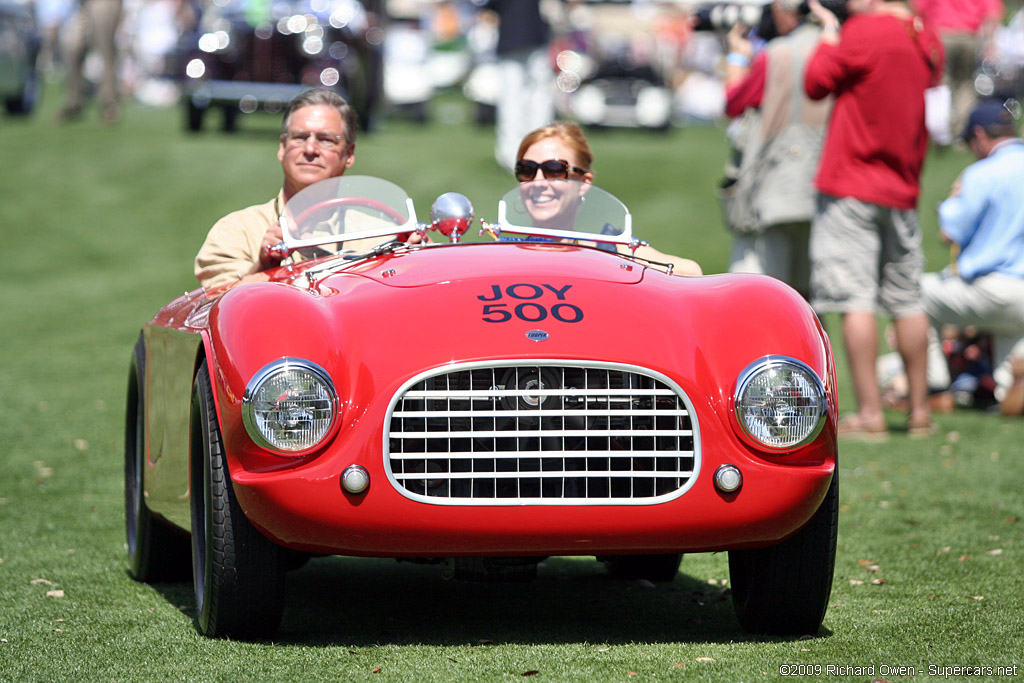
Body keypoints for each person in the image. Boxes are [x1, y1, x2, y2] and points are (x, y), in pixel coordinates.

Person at [803, 0, 944, 438]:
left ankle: (870, 414)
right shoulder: (922, 33)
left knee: (854, 298)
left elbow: (815, 82)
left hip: (852, 184)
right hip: (901, 186)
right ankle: (919, 412)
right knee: (907, 298)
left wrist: (829, 31)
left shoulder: (864, 30)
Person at [195, 88, 395, 290]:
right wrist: (263, 266)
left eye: (326, 140)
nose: (310, 149)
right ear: (282, 147)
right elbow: (216, 303)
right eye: (299, 137)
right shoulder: (236, 231)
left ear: (349, 154)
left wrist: (416, 253)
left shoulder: (382, 235)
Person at [721, 0, 833, 300]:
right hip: (827, 179)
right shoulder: (834, 45)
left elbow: (735, 102)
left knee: (773, 291)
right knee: (810, 290)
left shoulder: (777, 54)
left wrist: (736, 56)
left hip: (778, 180)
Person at [921, 100, 1024, 416]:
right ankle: (1011, 386)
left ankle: (936, 389)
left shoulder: (980, 173)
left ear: (979, 135)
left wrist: (952, 199)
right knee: (1011, 335)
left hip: (994, 289)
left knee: (912, 294)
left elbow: (950, 232)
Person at [514, 122, 702, 276]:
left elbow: (691, 272)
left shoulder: (611, 250)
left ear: (584, 183)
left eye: (554, 170)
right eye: (527, 170)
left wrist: (616, 264)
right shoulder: (503, 250)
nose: (538, 182)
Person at [475, 0, 556, 170]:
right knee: (534, 96)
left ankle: (515, 154)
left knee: (515, 98)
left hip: (516, 36)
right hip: (534, 34)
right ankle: (533, 152)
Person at [912, 0, 1005, 136]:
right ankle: (963, 131)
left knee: (942, 83)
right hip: (969, 35)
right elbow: (993, 12)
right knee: (965, 84)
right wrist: (990, 42)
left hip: (941, 34)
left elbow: (919, 9)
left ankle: (943, 129)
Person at [58, 0, 123, 124]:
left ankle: (109, 104)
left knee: (106, 50)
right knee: (73, 46)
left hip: (104, 3)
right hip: (82, 5)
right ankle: (74, 101)